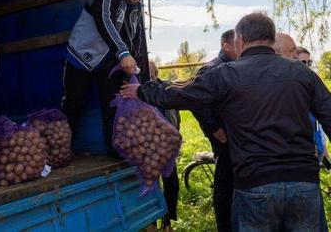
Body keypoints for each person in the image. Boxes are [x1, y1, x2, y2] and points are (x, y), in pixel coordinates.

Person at [121, 13, 330, 231]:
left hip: (254, 185)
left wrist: (142, 90)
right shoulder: (302, 73)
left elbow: (181, 93)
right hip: (304, 183)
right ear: (270, 38)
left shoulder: (227, 74)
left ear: (240, 39)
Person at [61, 0, 154, 158]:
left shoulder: (135, 6)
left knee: (112, 102)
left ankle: (114, 149)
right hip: (81, 56)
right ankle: (63, 150)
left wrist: (135, 66)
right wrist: (123, 53)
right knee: (74, 102)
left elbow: (135, 38)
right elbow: (105, 22)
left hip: (106, 62)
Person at [192, 29, 236, 232]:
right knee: (225, 183)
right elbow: (197, 101)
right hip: (225, 137)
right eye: (238, 43)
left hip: (238, 135)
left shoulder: (235, 67)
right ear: (226, 45)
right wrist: (214, 128)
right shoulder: (211, 68)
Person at [147, 61, 180, 232]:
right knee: (151, 185)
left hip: (167, 147)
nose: (149, 75)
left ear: (156, 72)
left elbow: (176, 116)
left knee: (171, 184)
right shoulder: (139, 91)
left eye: (151, 71)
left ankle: (167, 222)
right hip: (148, 150)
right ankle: (151, 222)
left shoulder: (165, 89)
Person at [297, 47, 329, 163]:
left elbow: (319, 121)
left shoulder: (312, 84)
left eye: (309, 62)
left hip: (317, 151)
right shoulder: (294, 89)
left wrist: (324, 147)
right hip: (304, 154)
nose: (307, 65)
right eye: (303, 62)